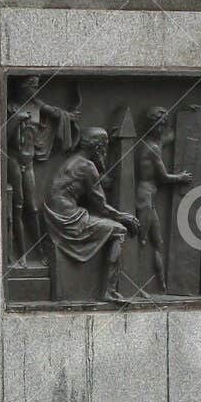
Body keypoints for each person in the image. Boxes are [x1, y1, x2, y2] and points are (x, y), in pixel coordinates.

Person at [42, 127, 139, 302]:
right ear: (98, 147)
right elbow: (101, 207)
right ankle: (109, 291)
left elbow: (90, 186)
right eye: (105, 147)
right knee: (119, 230)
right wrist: (125, 217)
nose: (106, 151)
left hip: (56, 214)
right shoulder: (87, 166)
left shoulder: (73, 161)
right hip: (68, 220)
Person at [5, 75, 79, 264]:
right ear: (22, 87)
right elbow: (1, 138)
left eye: (37, 87)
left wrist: (70, 116)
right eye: (32, 86)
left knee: (33, 207)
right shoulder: (10, 106)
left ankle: (38, 252)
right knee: (18, 206)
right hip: (13, 160)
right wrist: (15, 120)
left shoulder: (37, 105)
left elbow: (57, 113)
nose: (36, 90)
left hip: (29, 162)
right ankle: (21, 254)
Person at [134, 106, 191, 291]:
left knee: (157, 242)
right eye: (158, 125)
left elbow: (169, 137)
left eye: (163, 125)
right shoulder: (152, 148)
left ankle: (162, 285)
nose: (161, 129)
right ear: (150, 125)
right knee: (140, 240)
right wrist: (181, 177)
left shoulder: (154, 143)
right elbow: (164, 177)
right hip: (144, 199)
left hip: (150, 198)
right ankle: (134, 285)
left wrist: (188, 115)